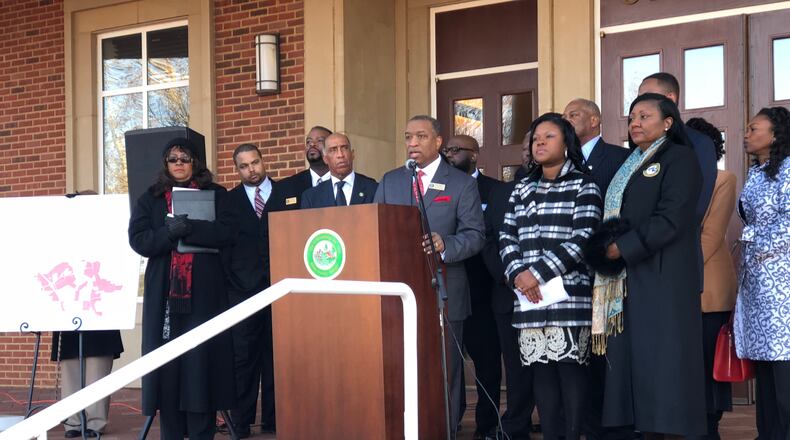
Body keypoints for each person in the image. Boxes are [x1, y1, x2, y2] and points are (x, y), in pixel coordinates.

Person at [585, 93, 706, 439]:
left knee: (663, 358)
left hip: (663, 276)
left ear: (668, 122)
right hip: (630, 277)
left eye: (644, 116)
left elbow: (672, 218)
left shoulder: (679, 158)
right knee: (635, 358)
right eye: (632, 117)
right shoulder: (631, 162)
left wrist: (621, 247)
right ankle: (639, 426)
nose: (635, 123)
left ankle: (668, 429)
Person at [374, 115, 485, 438]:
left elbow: (476, 235)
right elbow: (374, 228)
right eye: (408, 137)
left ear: (438, 142)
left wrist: (445, 244)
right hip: (397, 290)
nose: (412, 143)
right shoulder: (391, 180)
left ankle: (444, 429)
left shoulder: (461, 183)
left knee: (444, 368)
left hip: (445, 289)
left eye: (420, 137)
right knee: (400, 364)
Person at [499, 113, 602, 440]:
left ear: (567, 143)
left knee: (572, 378)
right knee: (541, 378)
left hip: (569, 295)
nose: (539, 143)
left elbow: (584, 238)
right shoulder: (522, 188)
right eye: (535, 138)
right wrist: (518, 274)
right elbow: (506, 236)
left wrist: (536, 274)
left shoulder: (584, 185)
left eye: (549, 137)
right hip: (528, 299)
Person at [128, 137, 236, 439]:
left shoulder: (216, 194)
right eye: (173, 159)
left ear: (195, 163)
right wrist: (168, 232)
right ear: (165, 163)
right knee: (170, 365)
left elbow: (228, 232)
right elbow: (139, 240)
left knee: (202, 362)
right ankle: (172, 432)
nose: (179, 164)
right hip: (165, 295)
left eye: (184, 159)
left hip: (205, 295)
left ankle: (202, 432)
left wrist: (191, 228)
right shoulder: (150, 198)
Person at [562, 98, 631, 440]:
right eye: (563, 116)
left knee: (609, 355)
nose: (566, 120)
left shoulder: (619, 158)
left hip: (609, 273)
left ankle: (614, 426)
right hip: (568, 276)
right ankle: (583, 426)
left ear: (595, 119)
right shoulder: (561, 163)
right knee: (578, 355)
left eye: (572, 115)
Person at [735, 106, 790, 440]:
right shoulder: (757, 172)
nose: (746, 134)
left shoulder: (788, 169)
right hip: (756, 279)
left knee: (784, 361)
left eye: (754, 128)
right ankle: (767, 433)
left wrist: (763, 249)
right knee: (765, 363)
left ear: (775, 135)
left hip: (782, 277)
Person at [443, 134, 503, 440]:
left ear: (474, 155)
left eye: (456, 150)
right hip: (446, 289)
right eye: (447, 150)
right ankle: (448, 421)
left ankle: (487, 426)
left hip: (482, 291)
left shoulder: (495, 190)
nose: (449, 155)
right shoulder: (434, 189)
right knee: (447, 364)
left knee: (486, 364)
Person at [686, 117, 737, 440]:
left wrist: (677, 274)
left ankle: (710, 429)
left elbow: (710, 236)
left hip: (708, 288)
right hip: (677, 290)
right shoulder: (676, 181)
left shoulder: (723, 179)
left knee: (708, 365)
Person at [223, 143, 277, 437]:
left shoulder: (284, 194)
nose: (251, 170)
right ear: (237, 169)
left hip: (281, 289)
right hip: (241, 293)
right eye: (243, 166)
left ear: (262, 160)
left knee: (276, 358)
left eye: (254, 163)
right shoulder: (228, 202)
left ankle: (274, 421)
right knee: (242, 360)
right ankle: (240, 424)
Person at [52, 330, 123, 438]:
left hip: (100, 323)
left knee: (97, 374)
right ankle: (72, 422)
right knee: (70, 375)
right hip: (68, 322)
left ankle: (95, 423)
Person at [562, 98, 629, 197]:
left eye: (573, 115)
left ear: (594, 121)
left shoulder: (622, 157)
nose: (566, 121)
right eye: (564, 118)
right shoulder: (562, 160)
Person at [301, 132, 377, 208]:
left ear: (352, 154)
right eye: (333, 150)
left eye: (344, 148)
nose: (340, 155)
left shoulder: (373, 188)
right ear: (325, 159)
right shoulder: (311, 197)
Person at [267, 126, 331, 211]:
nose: (312, 144)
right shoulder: (284, 187)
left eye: (319, 140)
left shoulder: (347, 183)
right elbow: (269, 221)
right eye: (308, 141)